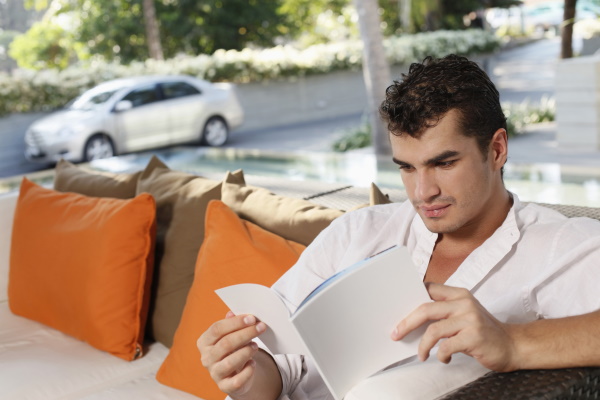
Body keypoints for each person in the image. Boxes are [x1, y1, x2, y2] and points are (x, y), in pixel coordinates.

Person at [197, 54, 600, 400]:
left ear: (496, 150)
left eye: (444, 163)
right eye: (407, 167)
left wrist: (512, 343)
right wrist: (245, 374)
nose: (423, 191)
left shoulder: (559, 245)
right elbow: (281, 369)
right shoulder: (355, 233)